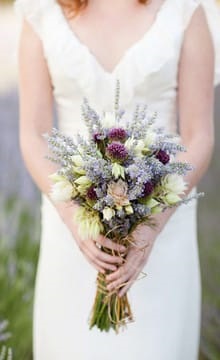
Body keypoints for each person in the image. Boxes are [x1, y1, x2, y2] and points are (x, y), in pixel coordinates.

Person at [14, 0, 220, 358]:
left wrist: (151, 224)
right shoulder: (40, 10)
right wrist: (70, 216)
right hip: (74, 227)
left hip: (164, 223)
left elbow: (199, 134)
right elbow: (33, 132)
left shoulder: (186, 9)